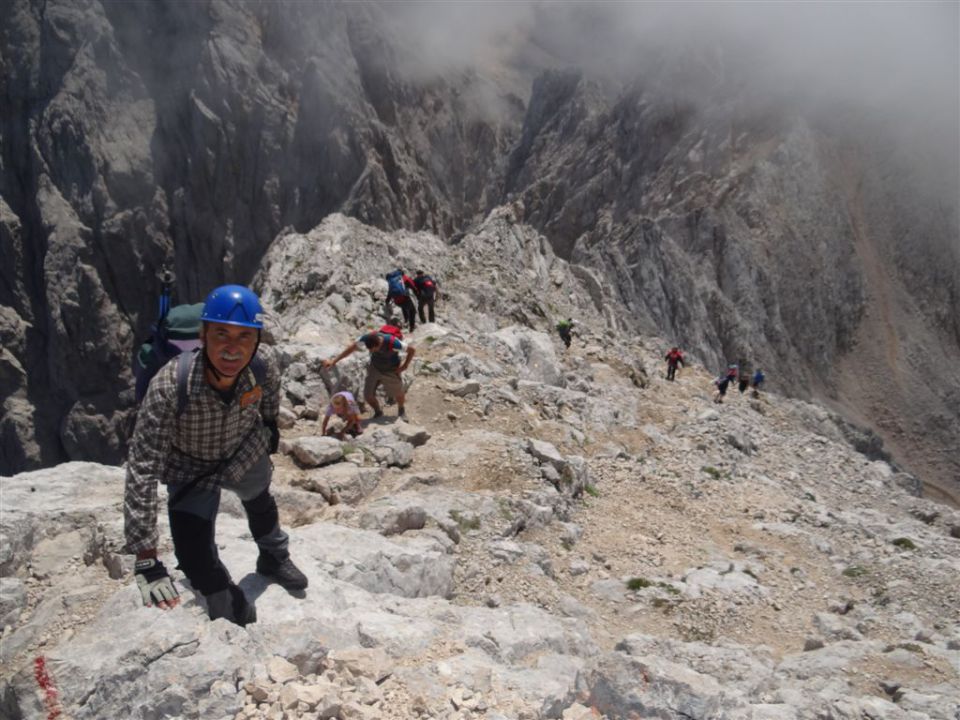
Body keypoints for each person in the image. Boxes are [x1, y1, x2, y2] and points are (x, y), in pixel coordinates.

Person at [124, 285, 307, 627]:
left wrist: (268, 431)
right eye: (221, 333)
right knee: (194, 558)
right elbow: (143, 468)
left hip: (243, 448)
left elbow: (269, 400)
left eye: (244, 337)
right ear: (203, 335)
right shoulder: (169, 386)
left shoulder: (263, 365)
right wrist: (145, 554)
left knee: (260, 501)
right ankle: (231, 607)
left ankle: (273, 558)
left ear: (256, 341)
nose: (232, 347)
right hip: (191, 468)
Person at [323, 330, 416, 419]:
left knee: (397, 392)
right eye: (370, 350)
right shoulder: (366, 338)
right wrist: (334, 361)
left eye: (374, 350)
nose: (372, 351)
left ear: (379, 344)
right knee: (368, 395)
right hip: (374, 368)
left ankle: (401, 410)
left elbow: (411, 350)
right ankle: (378, 411)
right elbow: (351, 348)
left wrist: (404, 366)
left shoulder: (393, 342)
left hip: (391, 369)